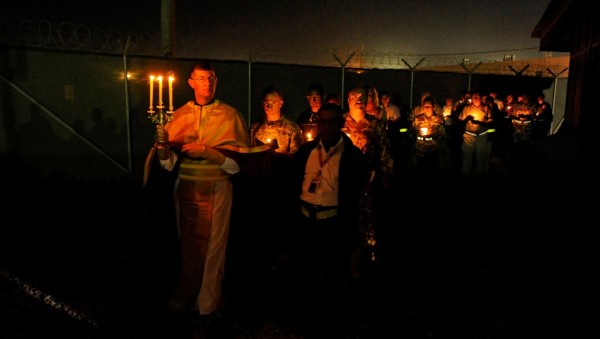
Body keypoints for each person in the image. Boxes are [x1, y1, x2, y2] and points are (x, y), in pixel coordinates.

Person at [145, 60, 256, 320]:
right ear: (191, 82)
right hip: (185, 188)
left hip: (217, 187)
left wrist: (208, 153)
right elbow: (169, 162)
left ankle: (208, 304)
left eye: (212, 78)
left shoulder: (231, 115)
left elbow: (238, 166)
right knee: (188, 245)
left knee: (215, 248)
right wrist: (163, 149)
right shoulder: (177, 115)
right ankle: (190, 295)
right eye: (202, 79)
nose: (208, 83)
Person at [289, 102, 368, 337]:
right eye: (321, 121)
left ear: (340, 124)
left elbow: (356, 190)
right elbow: (294, 181)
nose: (325, 126)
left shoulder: (351, 156)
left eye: (331, 121)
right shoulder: (307, 151)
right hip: (306, 221)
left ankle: (330, 318)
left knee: (334, 273)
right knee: (306, 270)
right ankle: (306, 312)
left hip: (333, 223)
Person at [248, 85, 302, 272]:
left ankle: (280, 258)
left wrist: (277, 156)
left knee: (280, 224)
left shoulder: (291, 128)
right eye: (266, 103)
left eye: (273, 102)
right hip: (259, 185)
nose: (269, 106)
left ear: (281, 103)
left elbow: (297, 158)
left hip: (281, 186)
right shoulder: (255, 127)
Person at [342, 84, 394, 278]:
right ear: (348, 100)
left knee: (368, 221)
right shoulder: (340, 123)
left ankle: (367, 257)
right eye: (354, 97)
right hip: (343, 182)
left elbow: (384, 153)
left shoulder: (375, 125)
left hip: (368, 182)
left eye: (362, 97)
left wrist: (386, 177)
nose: (358, 100)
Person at [457, 90, 494, 178]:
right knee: (467, 156)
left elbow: (491, 120)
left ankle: (478, 174)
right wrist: (467, 119)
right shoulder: (466, 108)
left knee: (480, 157)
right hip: (469, 136)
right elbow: (460, 121)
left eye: (477, 97)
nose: (476, 99)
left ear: (481, 98)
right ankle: (465, 174)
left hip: (481, 136)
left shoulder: (486, 108)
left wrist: (481, 123)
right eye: (474, 97)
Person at [409, 96, 446, 176]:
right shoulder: (417, 119)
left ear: (433, 107)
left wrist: (433, 133)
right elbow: (411, 132)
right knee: (421, 172)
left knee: (432, 171)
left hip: (433, 149)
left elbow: (443, 133)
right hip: (420, 150)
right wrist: (417, 132)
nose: (427, 108)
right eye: (425, 106)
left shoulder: (438, 119)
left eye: (429, 106)